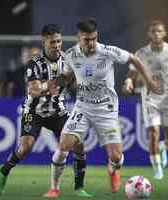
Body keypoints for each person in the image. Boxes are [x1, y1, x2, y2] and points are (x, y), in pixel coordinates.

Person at [44, 18, 159, 197]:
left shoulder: (107, 51)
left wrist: (149, 80)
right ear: (78, 38)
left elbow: (135, 59)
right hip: (82, 108)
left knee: (116, 157)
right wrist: (56, 84)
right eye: (86, 39)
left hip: (106, 109)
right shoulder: (71, 55)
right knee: (63, 147)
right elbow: (67, 77)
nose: (91, 43)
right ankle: (54, 188)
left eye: (93, 39)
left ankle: (113, 169)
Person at [0, 24, 91, 197]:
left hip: (57, 111)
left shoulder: (67, 60)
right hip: (34, 111)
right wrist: (48, 88)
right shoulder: (34, 63)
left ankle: (79, 188)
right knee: (26, 147)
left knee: (78, 143)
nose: (57, 45)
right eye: (52, 42)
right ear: (44, 42)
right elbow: (34, 90)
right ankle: (4, 172)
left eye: (59, 41)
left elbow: (74, 79)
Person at [124, 19, 168, 180]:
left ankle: (162, 147)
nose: (156, 34)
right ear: (149, 34)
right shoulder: (141, 53)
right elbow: (132, 71)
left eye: (159, 31)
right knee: (153, 132)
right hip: (150, 99)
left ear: (164, 33)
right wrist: (130, 81)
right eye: (153, 31)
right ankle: (157, 169)